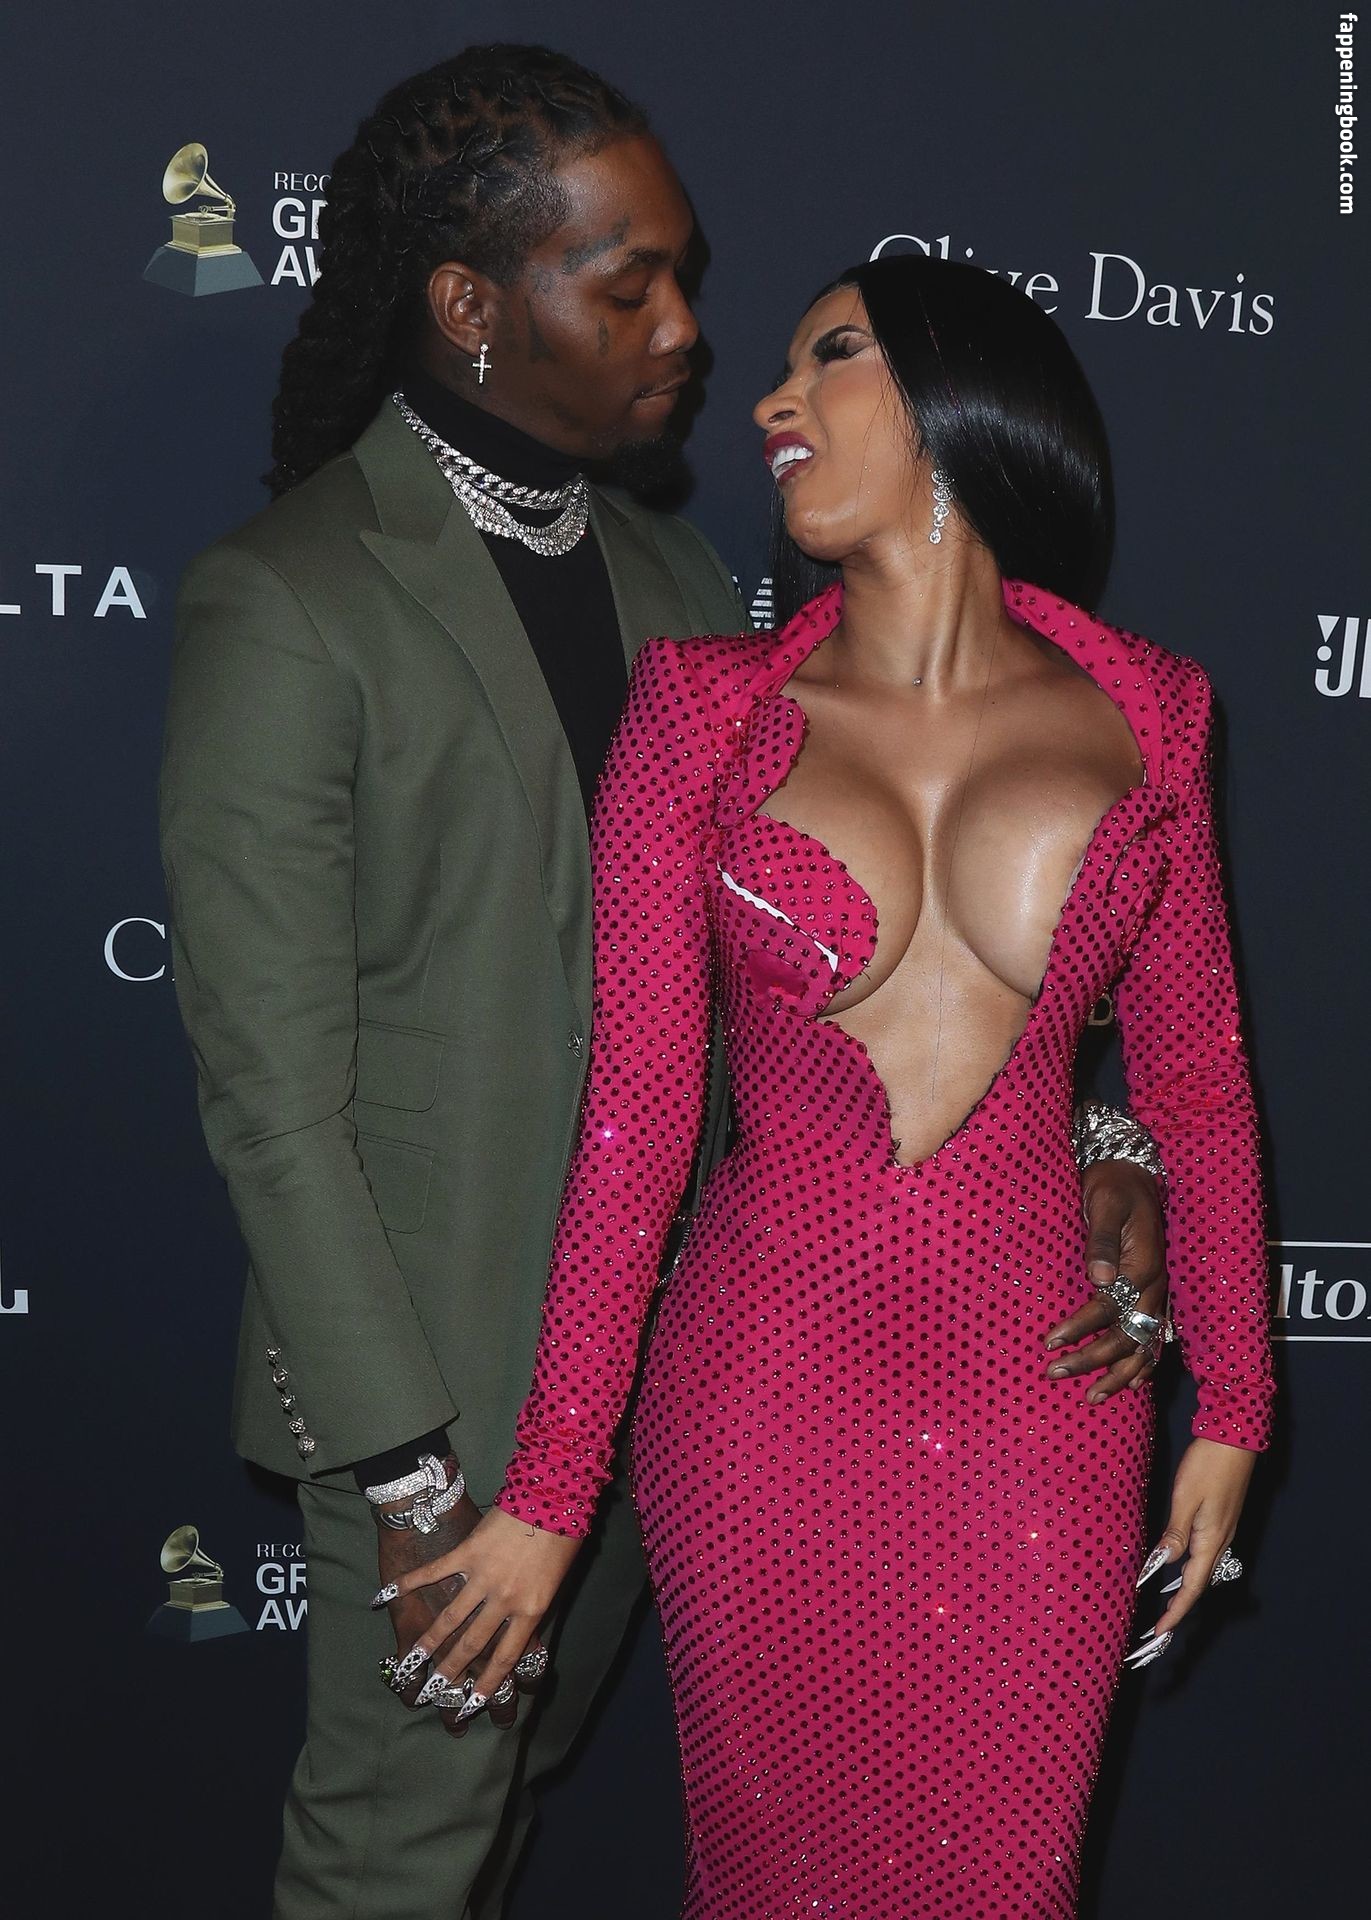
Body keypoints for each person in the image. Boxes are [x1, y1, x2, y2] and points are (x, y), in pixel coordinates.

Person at [160, 43, 1169, 1920]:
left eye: (685, 277)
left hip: (695, 1372)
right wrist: (408, 1474)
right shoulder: (289, 601)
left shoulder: (686, 586)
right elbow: (274, 1105)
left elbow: (869, 942)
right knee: (396, 1861)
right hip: (446, 1394)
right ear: (471, 305)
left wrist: (1103, 1138)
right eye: (629, 285)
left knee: (526, 1812)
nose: (691, 332)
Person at [385, 254, 1275, 1918]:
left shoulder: (1155, 716)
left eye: (832, 356)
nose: (771, 403)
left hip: (1047, 1413)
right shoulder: (705, 713)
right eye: (781, 369)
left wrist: (1235, 1398)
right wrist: (553, 1494)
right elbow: (638, 1125)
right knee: (773, 1881)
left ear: (958, 397)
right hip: (763, 1399)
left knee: (1008, 1882)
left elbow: (1199, 1087)